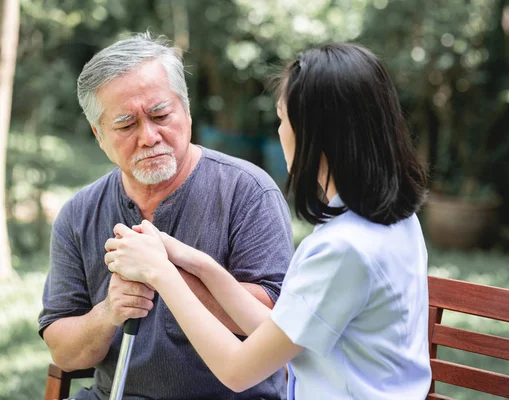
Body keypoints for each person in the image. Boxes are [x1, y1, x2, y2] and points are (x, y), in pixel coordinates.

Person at [105, 43, 432, 399]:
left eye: (282, 118)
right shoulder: (390, 220)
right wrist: (186, 258)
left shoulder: (343, 250)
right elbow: (279, 330)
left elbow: (237, 370)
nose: (279, 132)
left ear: (315, 131)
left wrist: (161, 274)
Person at [38, 32, 294, 400]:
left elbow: (272, 321)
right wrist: (109, 311)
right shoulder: (78, 214)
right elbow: (63, 351)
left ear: (187, 111)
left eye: (160, 115)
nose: (149, 136)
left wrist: (164, 276)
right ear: (98, 134)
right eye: (126, 125)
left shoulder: (249, 191)